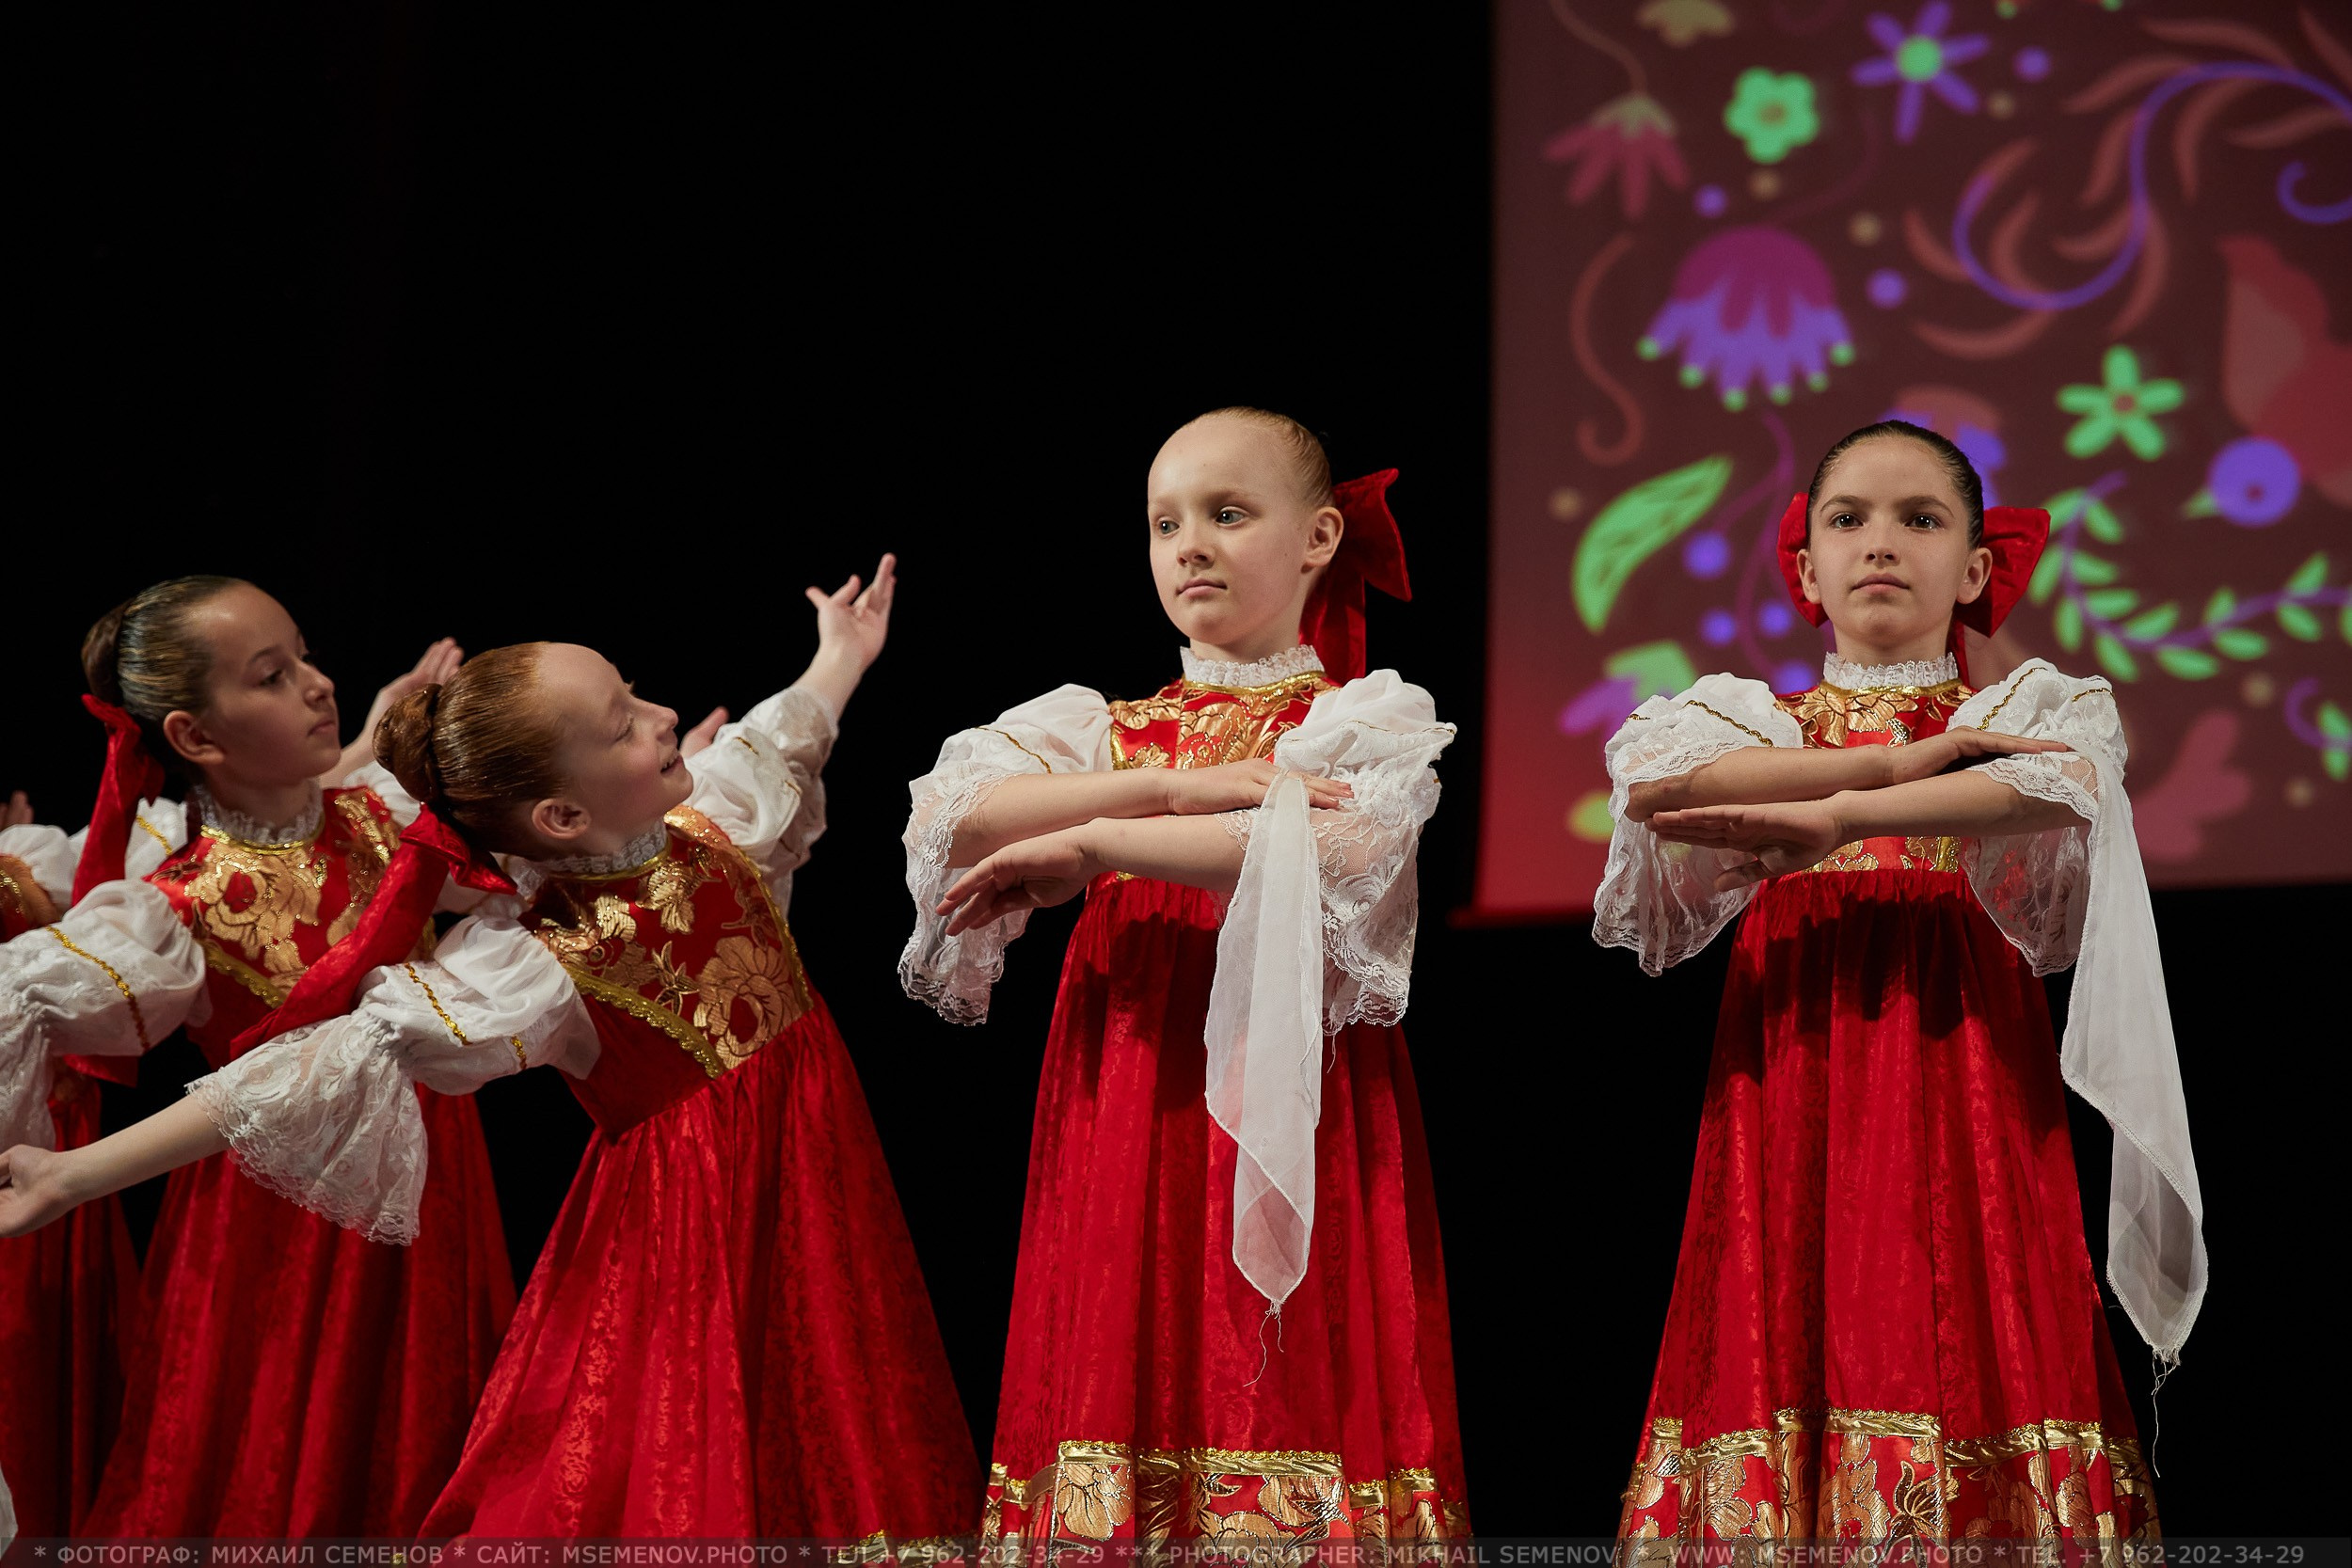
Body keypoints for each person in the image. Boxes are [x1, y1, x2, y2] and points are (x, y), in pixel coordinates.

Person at [1, 559, 980, 1538]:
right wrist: (77, 1173)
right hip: (687, 1217)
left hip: (807, 1175)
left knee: (827, 1392)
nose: (663, 713)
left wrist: (839, 655)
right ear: (559, 815)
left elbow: (779, 740)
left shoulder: (708, 820)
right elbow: (323, 1060)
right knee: (679, 1437)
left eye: (634, 694)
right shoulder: (542, 960)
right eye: (623, 717)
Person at [1595, 420, 2198, 1544]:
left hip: (1962, 1078)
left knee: (1973, 1306)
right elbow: (1655, 783)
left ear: (1974, 569)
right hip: (1792, 1078)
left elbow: (2053, 786)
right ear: (1805, 568)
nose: (1880, 542)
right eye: (1848, 519)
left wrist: (1842, 814)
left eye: (1919, 519)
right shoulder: (1749, 721)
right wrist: (1877, 763)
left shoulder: (2023, 713)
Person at [901, 408, 1468, 1546]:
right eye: (1166, 523)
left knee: (1278, 1344)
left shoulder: (1360, 714)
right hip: (1129, 1074)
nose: (1190, 545)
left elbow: (1327, 849)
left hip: (1284, 1081)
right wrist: (1159, 794)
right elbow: (954, 811)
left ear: (1316, 538)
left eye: (1227, 513)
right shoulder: (1107, 730)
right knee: (1124, 1320)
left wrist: (1100, 842)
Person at [0, 578, 510, 1535]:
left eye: (305, 656)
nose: (317, 685)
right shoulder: (178, 903)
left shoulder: (382, 816)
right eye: (273, 676)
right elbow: (29, 1003)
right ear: (195, 736)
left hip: (435, 1192)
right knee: (275, 1461)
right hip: (277, 1223)